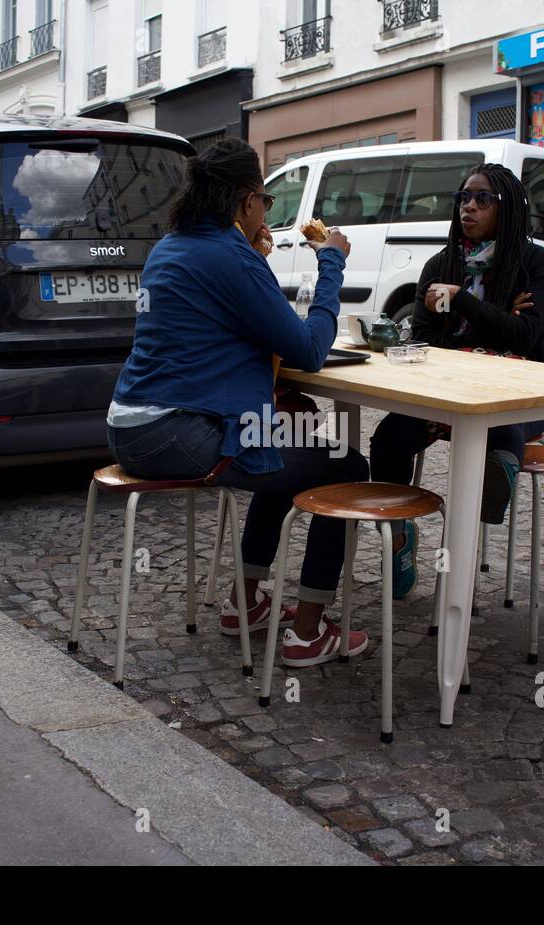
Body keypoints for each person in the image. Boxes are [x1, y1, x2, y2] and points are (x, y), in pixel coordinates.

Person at [106, 138, 369, 667]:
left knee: (275, 449)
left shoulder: (172, 246)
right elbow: (310, 349)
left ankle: (244, 604)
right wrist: (331, 264)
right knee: (348, 465)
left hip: (129, 428)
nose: (265, 214)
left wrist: (251, 253)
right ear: (248, 200)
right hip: (179, 433)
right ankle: (309, 631)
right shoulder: (229, 256)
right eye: (265, 204)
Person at [370, 162, 544, 598]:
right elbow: (424, 342)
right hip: (447, 395)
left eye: (482, 199)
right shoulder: (439, 265)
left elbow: (527, 340)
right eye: (463, 199)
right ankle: (398, 537)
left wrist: (463, 302)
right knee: (388, 439)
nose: (468, 207)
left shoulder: (533, 263)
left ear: (506, 209)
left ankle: (492, 485)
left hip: (520, 397)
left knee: (499, 416)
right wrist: (496, 325)